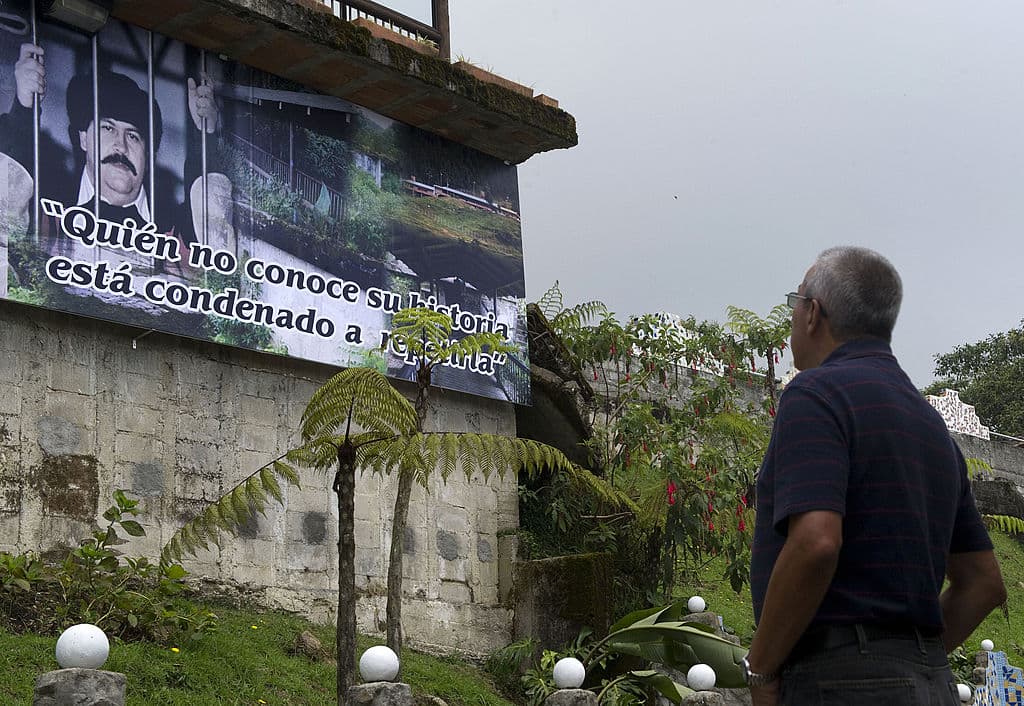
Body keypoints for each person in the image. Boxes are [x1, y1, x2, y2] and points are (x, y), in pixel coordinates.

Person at [744, 246, 1006, 706]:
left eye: (795, 303)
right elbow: (983, 583)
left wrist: (762, 671)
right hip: (932, 685)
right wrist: (905, 663)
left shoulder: (816, 394)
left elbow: (817, 541)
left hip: (836, 683)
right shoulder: (932, 428)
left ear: (813, 314)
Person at [0, 43, 224, 262]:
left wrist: (207, 136)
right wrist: (24, 108)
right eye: (108, 128)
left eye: (133, 136)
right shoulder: (45, 208)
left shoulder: (177, 230)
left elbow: (215, 240)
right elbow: (6, 217)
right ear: (83, 138)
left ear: (148, 157)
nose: (121, 147)